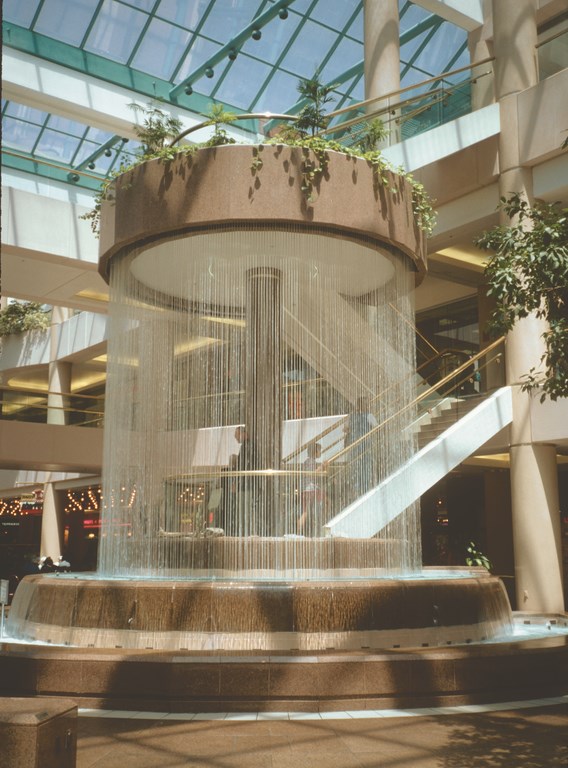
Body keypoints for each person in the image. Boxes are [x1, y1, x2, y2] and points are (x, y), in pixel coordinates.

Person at [344, 396, 378, 496]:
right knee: (364, 468)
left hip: (354, 446)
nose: (367, 405)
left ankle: (356, 492)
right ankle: (364, 491)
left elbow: (346, 429)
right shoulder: (369, 415)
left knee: (355, 469)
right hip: (365, 446)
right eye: (366, 403)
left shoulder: (352, 416)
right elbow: (376, 428)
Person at [234, 426, 260, 536]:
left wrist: (237, 482)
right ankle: (246, 534)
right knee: (245, 513)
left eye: (237, 435)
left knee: (245, 513)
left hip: (247, 485)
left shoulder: (248, 447)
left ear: (244, 434)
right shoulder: (247, 446)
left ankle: (246, 535)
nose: (236, 438)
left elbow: (244, 467)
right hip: (247, 484)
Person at [297, 442, 326, 537]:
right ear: (315, 451)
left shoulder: (309, 461)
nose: (320, 452)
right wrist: (321, 467)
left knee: (307, 512)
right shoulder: (310, 461)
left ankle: (300, 531)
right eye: (319, 450)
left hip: (308, 490)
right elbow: (311, 474)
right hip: (309, 490)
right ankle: (301, 530)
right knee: (307, 512)